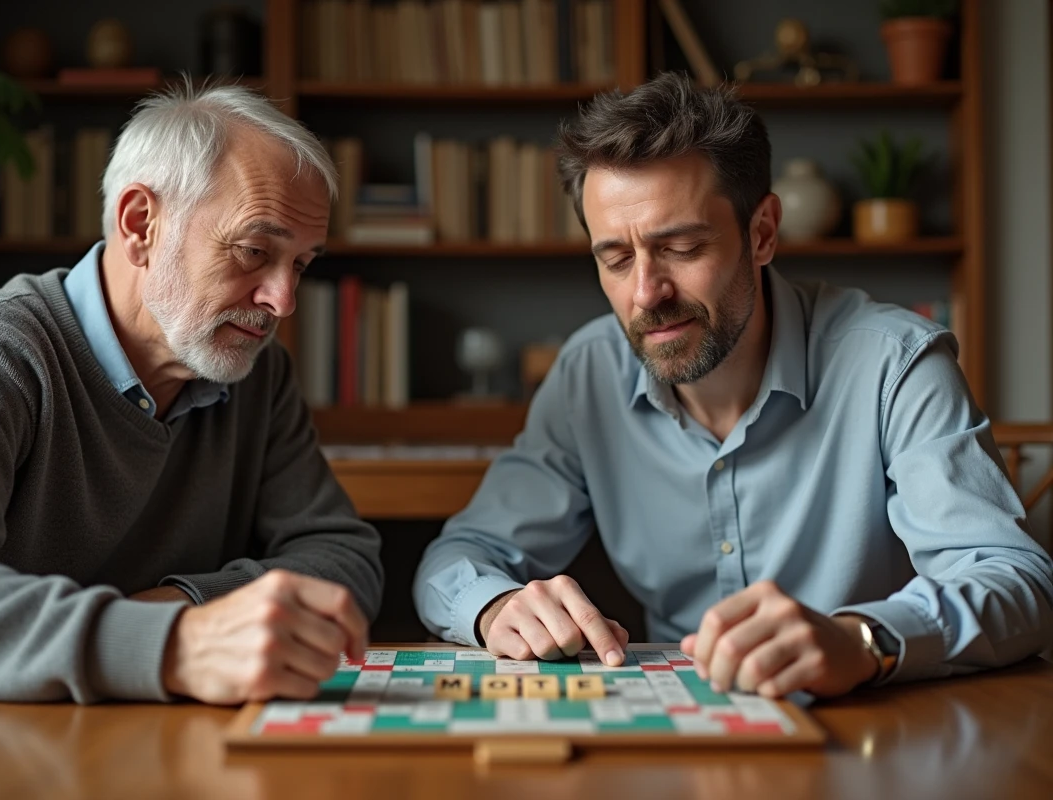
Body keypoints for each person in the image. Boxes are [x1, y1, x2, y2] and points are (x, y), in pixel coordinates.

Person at [414, 72, 1053, 699]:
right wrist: (496, 606)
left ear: (762, 233)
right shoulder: (588, 373)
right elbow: (456, 559)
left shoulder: (895, 364)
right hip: (672, 733)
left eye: (684, 248)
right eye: (615, 259)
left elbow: (1016, 581)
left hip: (868, 730)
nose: (646, 295)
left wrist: (861, 639)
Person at [0, 82, 383, 769]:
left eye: (301, 266)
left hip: (109, 724)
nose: (281, 300)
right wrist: (173, 644)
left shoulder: (254, 373)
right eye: (255, 251)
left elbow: (342, 560)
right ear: (140, 225)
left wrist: (182, 605)